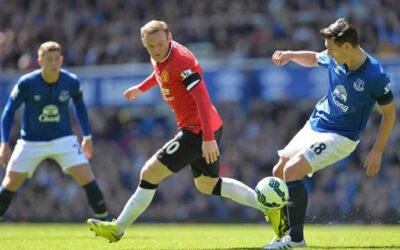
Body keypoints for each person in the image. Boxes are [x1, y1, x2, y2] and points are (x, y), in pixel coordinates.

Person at [87, 20, 266, 242]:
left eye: (161, 44)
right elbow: (161, 74)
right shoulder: (161, 55)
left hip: (199, 129)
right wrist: (140, 89)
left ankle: (118, 228)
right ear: (145, 44)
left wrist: (208, 139)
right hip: (205, 125)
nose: (157, 50)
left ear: (169, 38)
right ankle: (268, 204)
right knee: (207, 184)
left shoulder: (182, 61)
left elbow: (202, 98)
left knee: (149, 173)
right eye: (151, 47)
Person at [263, 18, 396, 249]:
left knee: (293, 171)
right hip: (317, 122)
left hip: (341, 136)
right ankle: (283, 234)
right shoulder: (336, 57)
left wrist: (378, 150)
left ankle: (296, 240)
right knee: (279, 171)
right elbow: (314, 58)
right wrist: (291, 54)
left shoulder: (374, 75)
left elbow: (390, 113)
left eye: (331, 49)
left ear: (347, 47)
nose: (328, 53)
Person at [0, 41, 109, 221]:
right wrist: (4, 143)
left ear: (61, 60)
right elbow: (9, 111)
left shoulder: (71, 82)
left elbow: (80, 107)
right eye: (48, 59)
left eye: (56, 59)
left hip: (63, 140)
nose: (52, 63)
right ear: (40, 61)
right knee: (10, 183)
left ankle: (106, 221)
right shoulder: (26, 83)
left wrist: (87, 136)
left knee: (88, 178)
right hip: (30, 142)